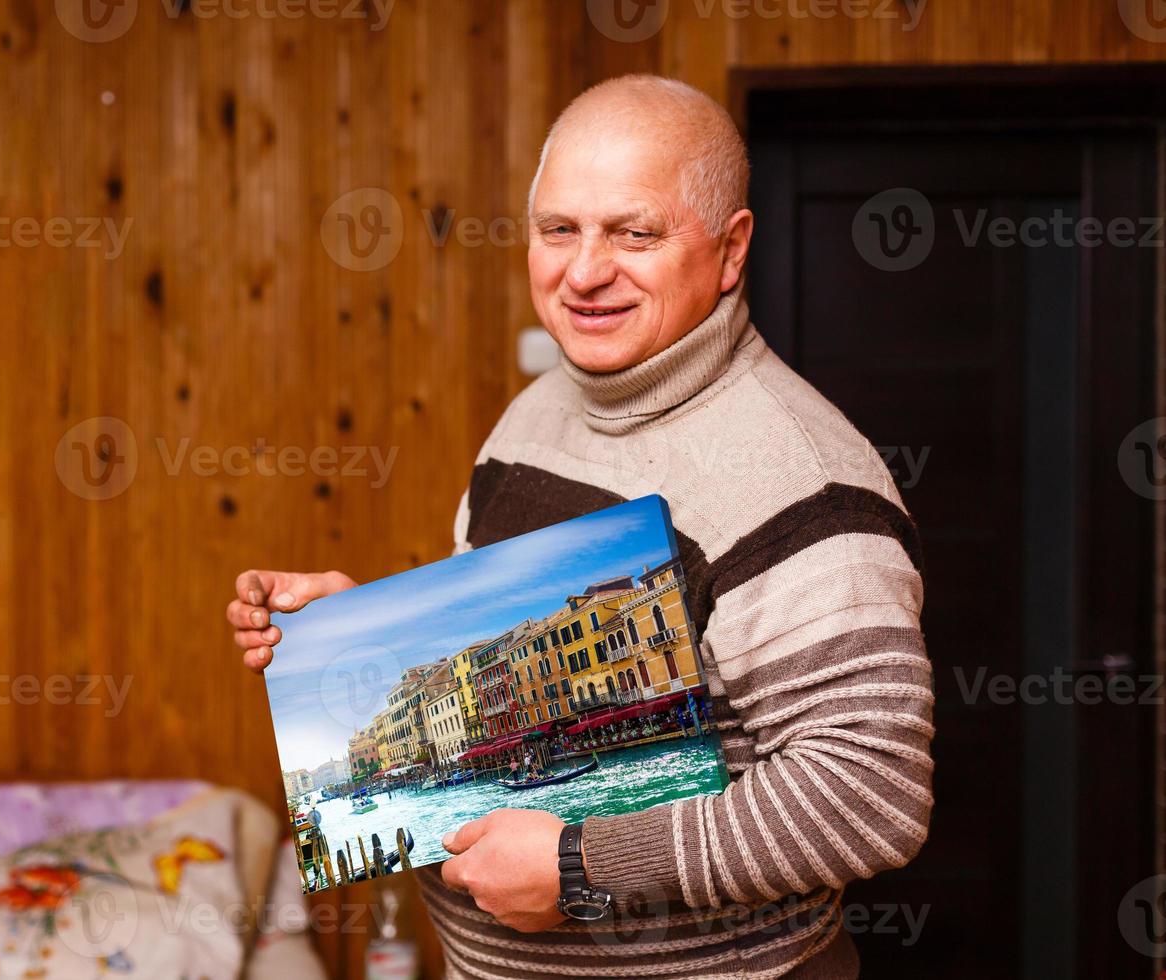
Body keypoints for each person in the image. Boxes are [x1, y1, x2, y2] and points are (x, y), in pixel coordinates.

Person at [227, 74, 932, 979]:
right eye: (560, 229)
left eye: (635, 233)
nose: (585, 270)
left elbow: (870, 796)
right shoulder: (533, 417)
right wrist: (366, 636)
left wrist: (578, 867)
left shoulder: (800, 476)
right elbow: (509, 663)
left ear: (730, 250)